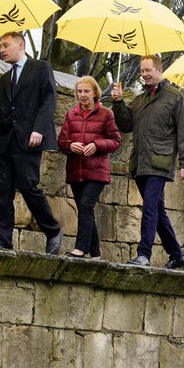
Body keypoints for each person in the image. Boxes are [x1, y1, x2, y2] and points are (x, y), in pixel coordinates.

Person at [0, 31, 63, 254]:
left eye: (6, 45)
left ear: (21, 45)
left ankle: (53, 230)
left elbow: (49, 99)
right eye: (0, 46)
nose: (2, 49)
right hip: (6, 141)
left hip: (29, 139)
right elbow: (0, 110)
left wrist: (39, 129)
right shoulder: (5, 79)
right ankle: (3, 240)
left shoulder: (40, 68)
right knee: (1, 191)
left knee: (28, 186)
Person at [112, 55, 184, 268]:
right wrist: (119, 102)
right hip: (140, 161)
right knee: (157, 210)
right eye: (142, 71)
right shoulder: (139, 100)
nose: (145, 74)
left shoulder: (175, 97)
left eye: (148, 70)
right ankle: (176, 255)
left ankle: (143, 254)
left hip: (160, 162)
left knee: (150, 207)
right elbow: (126, 125)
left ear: (159, 70)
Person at [57, 76, 122, 259]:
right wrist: (70, 145)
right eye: (79, 91)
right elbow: (61, 142)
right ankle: (95, 253)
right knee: (85, 209)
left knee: (86, 204)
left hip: (96, 170)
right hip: (76, 169)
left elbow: (116, 141)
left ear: (95, 93)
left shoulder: (106, 114)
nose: (83, 95)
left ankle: (81, 248)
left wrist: (97, 145)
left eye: (86, 91)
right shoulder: (71, 115)